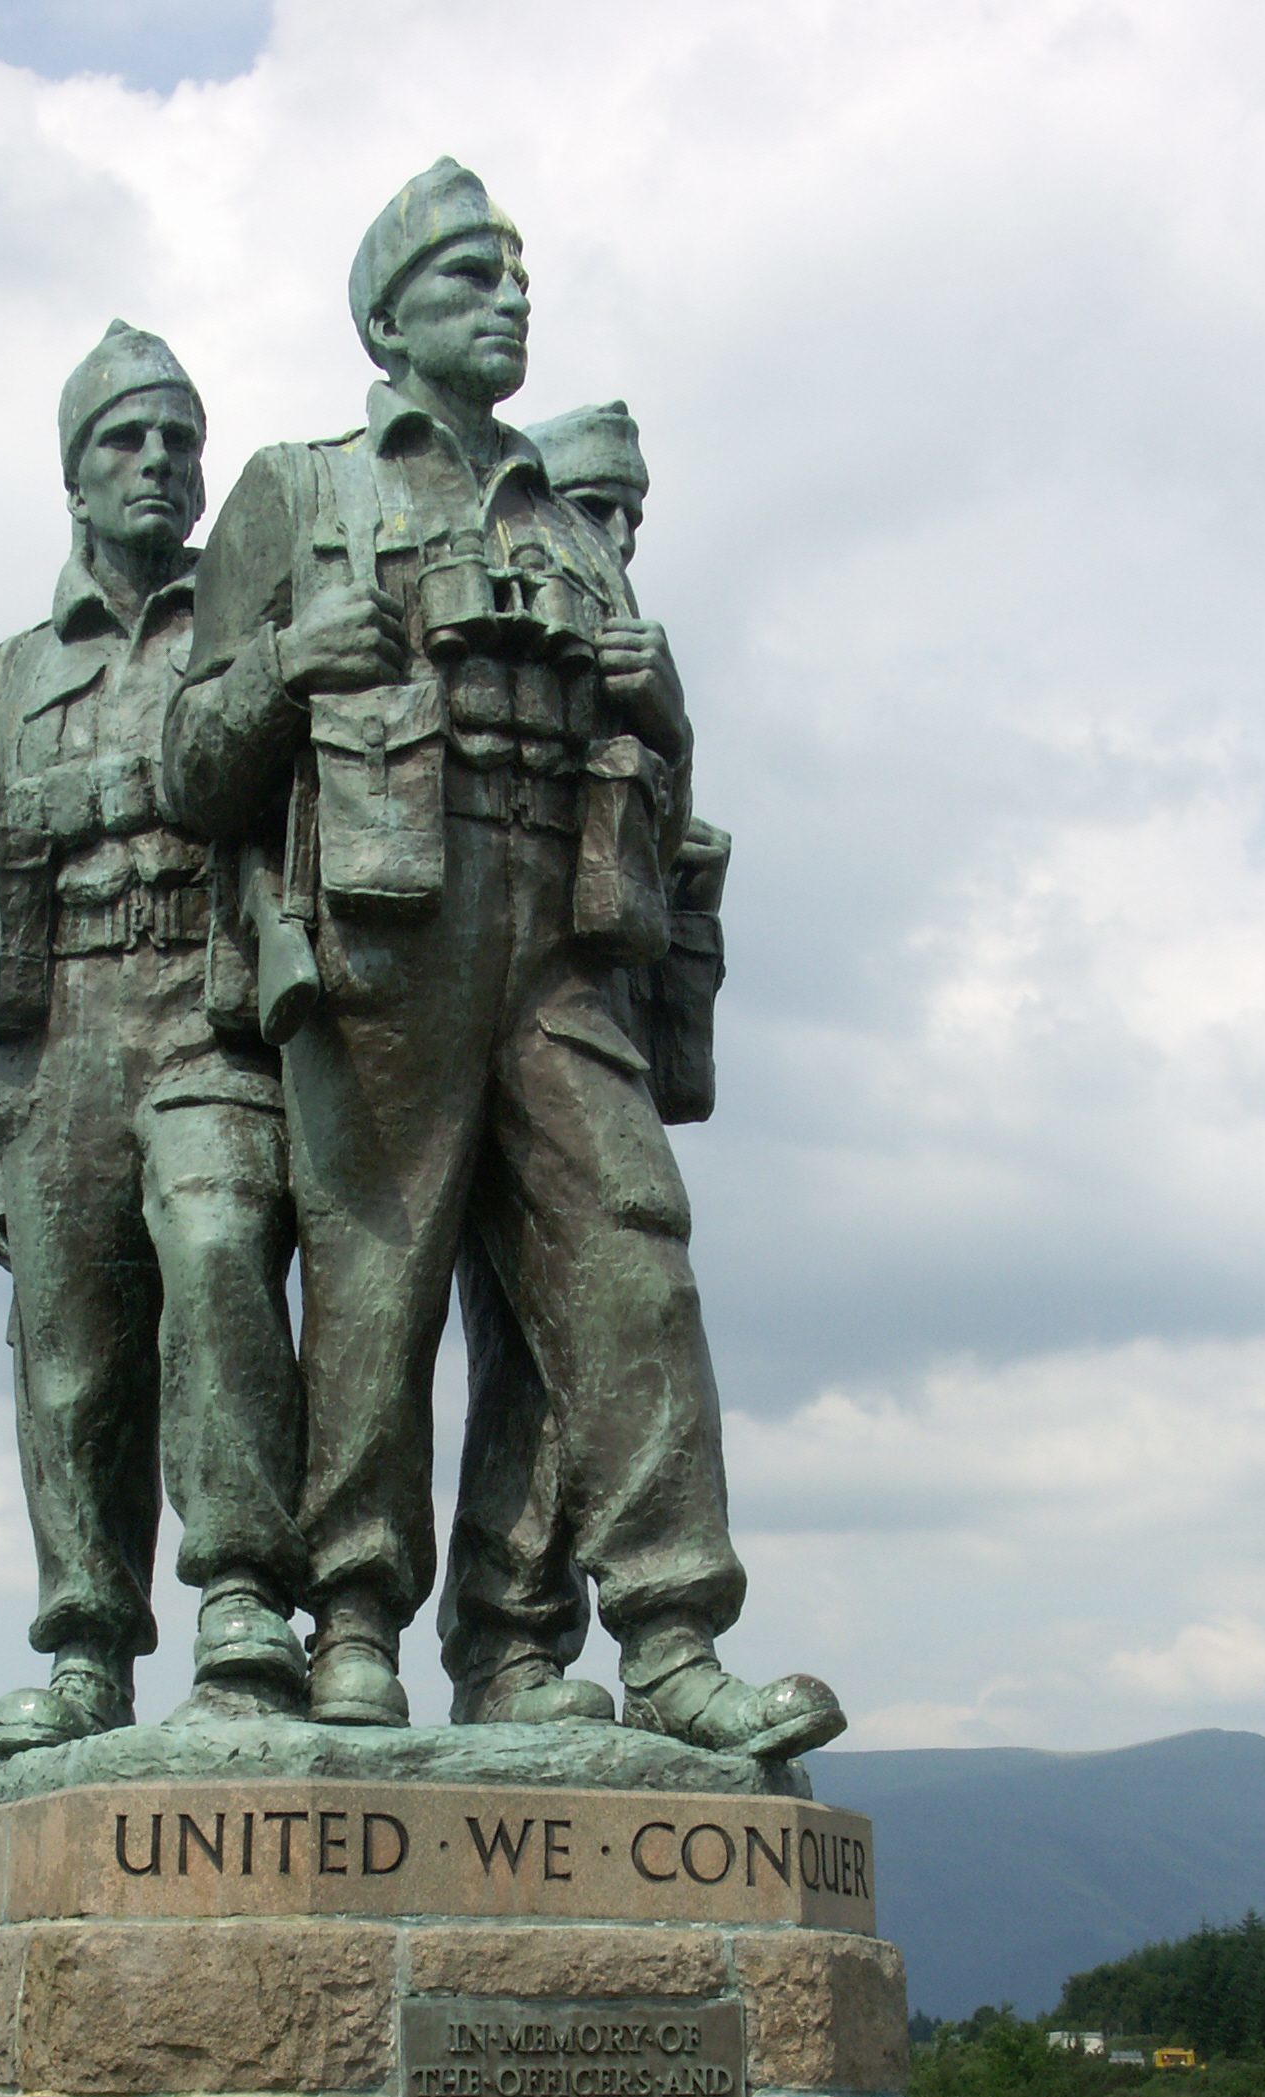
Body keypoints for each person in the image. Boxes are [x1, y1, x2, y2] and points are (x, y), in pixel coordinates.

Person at [163, 162, 840, 1760]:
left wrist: (663, 706)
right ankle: (348, 1620)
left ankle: (667, 1636)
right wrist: (276, 669)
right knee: (375, 1276)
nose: (511, 298)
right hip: (392, 923)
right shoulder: (298, 489)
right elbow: (195, 765)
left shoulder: (560, 513)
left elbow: (658, 788)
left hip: (561, 926)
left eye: (520, 273)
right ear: (387, 317)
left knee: (629, 1244)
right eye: (472, 275)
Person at [0, 321, 306, 1761]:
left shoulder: (241, 621)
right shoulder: (12, 673)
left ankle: (240, 1594)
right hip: (57, 1030)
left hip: (205, 1003)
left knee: (219, 1250)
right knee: (71, 1353)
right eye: (125, 440)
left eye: (179, 439)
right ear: (74, 477)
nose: (159, 462)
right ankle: (88, 1639)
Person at [438, 399, 734, 1726]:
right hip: (433, 992)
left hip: (582, 1016)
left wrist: (660, 726)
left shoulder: (636, 675)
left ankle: (534, 1644)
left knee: (584, 1333)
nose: (610, 536)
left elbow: (663, 876)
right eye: (591, 508)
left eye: (628, 517)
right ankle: (421, 1642)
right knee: (410, 1336)